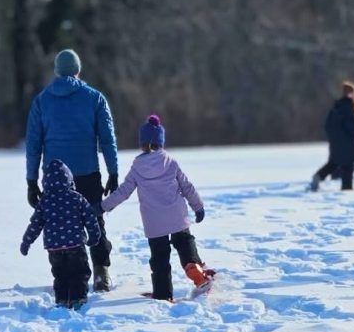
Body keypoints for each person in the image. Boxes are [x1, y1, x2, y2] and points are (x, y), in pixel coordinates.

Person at [25, 49, 119, 291]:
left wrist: (32, 180)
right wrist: (113, 171)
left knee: (58, 222)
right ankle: (101, 271)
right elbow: (107, 139)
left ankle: (64, 273)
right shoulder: (95, 98)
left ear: (56, 71)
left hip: (55, 177)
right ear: (78, 70)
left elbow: (33, 145)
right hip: (87, 172)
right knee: (95, 220)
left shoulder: (41, 101)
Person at [96, 115, 212, 301]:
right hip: (176, 216)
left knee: (159, 259)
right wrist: (198, 207)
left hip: (154, 222)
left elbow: (123, 192)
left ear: (142, 143)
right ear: (161, 142)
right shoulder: (170, 162)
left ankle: (163, 293)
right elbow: (187, 186)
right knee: (185, 242)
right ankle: (195, 270)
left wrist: (102, 207)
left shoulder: (137, 167)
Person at [20, 159, 102, 309]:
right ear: (69, 179)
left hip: (54, 247)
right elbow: (90, 217)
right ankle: (78, 298)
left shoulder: (44, 201)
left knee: (60, 274)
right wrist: (94, 235)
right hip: (75, 245)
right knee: (79, 272)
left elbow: (35, 224)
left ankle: (62, 299)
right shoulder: (76, 198)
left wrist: (26, 242)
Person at [310, 81, 354, 191]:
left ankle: (319, 176)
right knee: (348, 164)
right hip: (347, 141)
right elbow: (351, 124)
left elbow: (327, 125)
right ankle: (347, 189)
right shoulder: (348, 106)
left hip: (335, 140)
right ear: (351, 94)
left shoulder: (337, 106)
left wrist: (334, 138)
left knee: (334, 163)